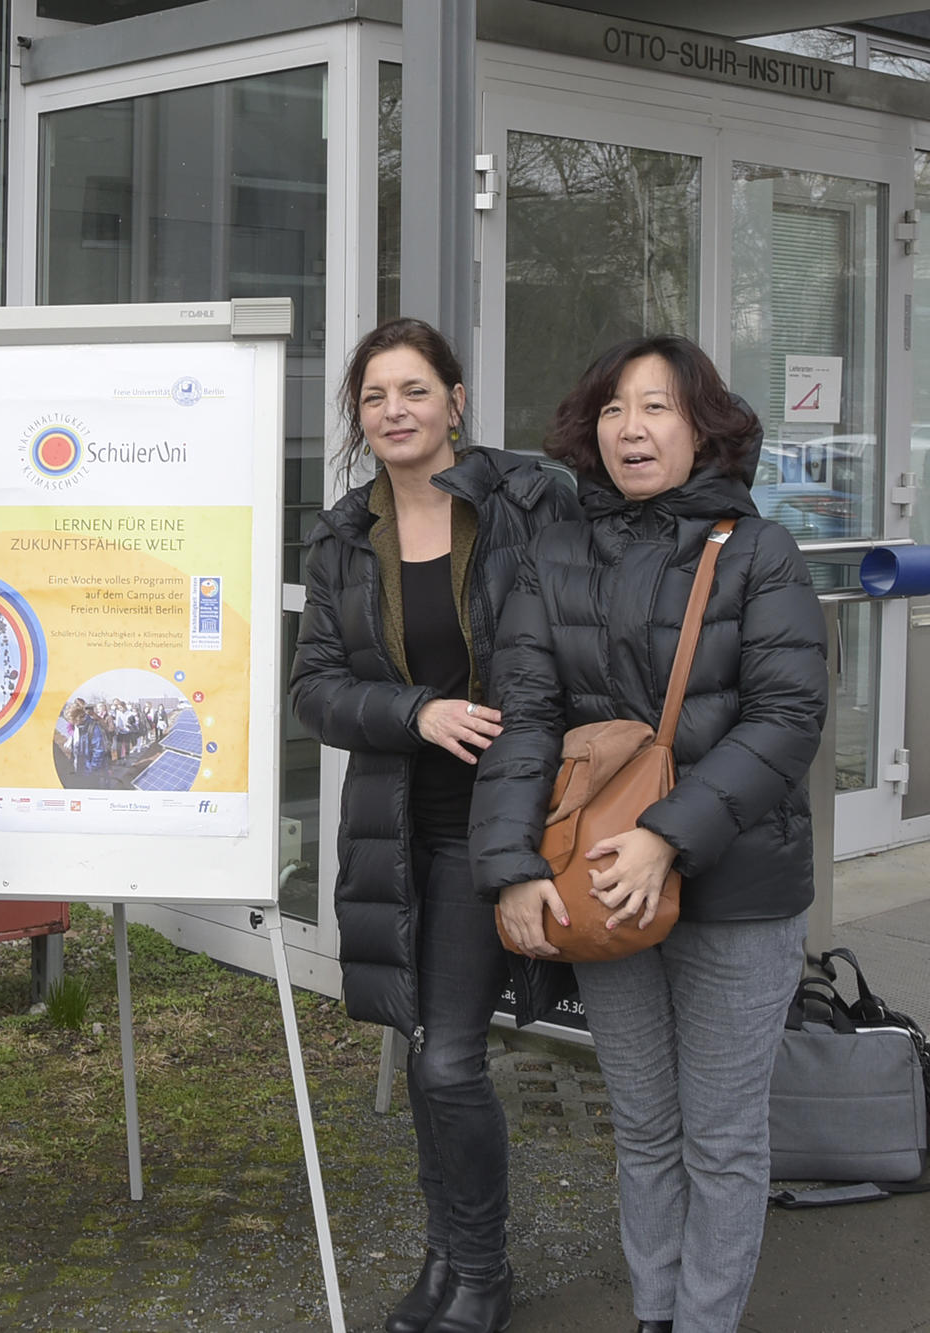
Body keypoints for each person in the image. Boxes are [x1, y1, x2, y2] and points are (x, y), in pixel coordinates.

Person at [473, 335, 827, 1333]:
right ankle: (652, 1312)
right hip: (594, 882)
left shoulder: (756, 552)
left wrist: (664, 836)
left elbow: (785, 719)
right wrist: (508, 867)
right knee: (642, 1123)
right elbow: (525, 719)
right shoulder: (552, 554)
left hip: (738, 888)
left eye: (656, 407)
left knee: (716, 1134)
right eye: (613, 409)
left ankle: (699, 1323)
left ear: (703, 428)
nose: (630, 427)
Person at [289, 317, 579, 1333]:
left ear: (455, 400)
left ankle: (479, 1268)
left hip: (514, 819)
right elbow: (314, 691)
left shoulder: (529, 501)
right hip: (404, 832)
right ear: (356, 416)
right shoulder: (337, 535)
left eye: (414, 390)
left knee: (447, 1057)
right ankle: (455, 1259)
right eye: (374, 397)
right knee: (430, 1049)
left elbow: (579, 643)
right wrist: (412, 711)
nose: (393, 412)